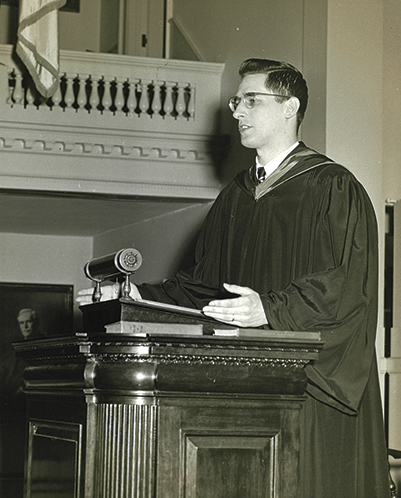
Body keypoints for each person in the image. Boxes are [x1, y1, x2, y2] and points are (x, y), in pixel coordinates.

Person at [77, 58, 390, 497]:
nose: (237, 112)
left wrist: (270, 308)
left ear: (289, 107)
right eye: (235, 101)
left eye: (250, 101)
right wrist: (132, 294)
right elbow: (201, 286)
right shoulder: (234, 197)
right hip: (246, 387)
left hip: (308, 384)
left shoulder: (332, 187)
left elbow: (348, 285)